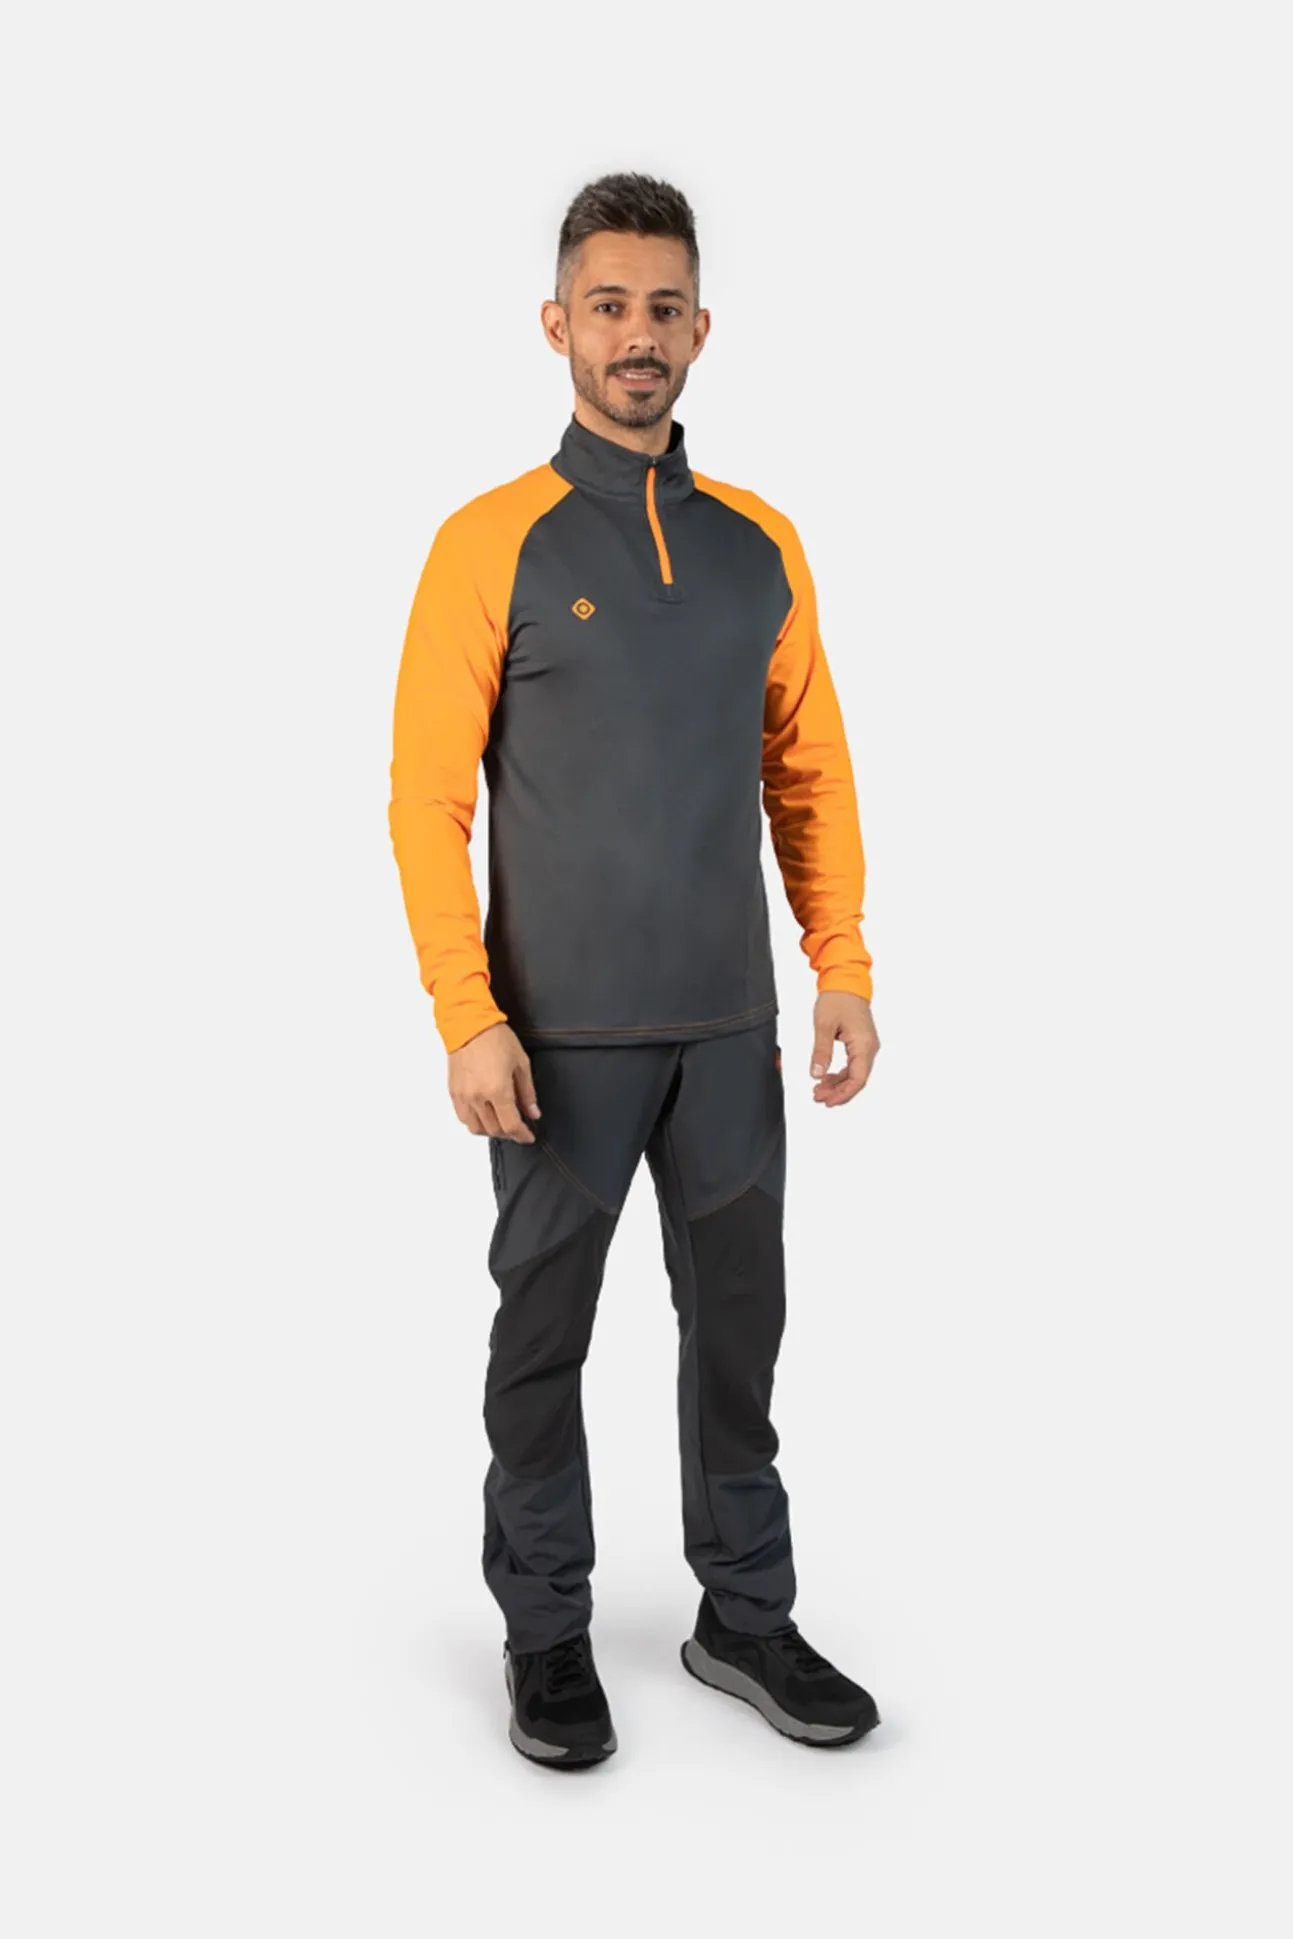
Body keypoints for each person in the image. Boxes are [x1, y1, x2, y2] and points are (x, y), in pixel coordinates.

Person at [388, 172, 882, 1767]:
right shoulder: (490, 544)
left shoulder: (761, 545)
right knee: (542, 1344)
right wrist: (467, 1015)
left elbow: (808, 771)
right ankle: (546, 1631)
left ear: (703, 329)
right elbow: (425, 800)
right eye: (609, 305)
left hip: (729, 1032)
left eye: (665, 306)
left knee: (740, 1336)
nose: (638, 334)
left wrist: (841, 963)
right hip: (557, 1044)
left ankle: (745, 1611)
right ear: (557, 325)